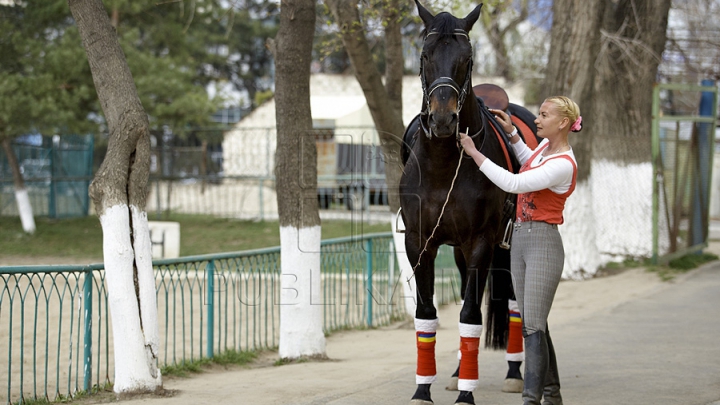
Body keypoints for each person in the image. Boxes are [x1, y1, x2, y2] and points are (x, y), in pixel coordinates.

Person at [459, 96, 582, 405]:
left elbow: (515, 182)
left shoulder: (564, 163)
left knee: (533, 326)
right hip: (521, 240)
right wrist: (513, 134)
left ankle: (531, 398)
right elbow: (528, 160)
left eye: (543, 115)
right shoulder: (545, 149)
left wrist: (474, 153)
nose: (537, 119)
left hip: (543, 242)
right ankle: (552, 395)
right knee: (535, 322)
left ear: (563, 122)